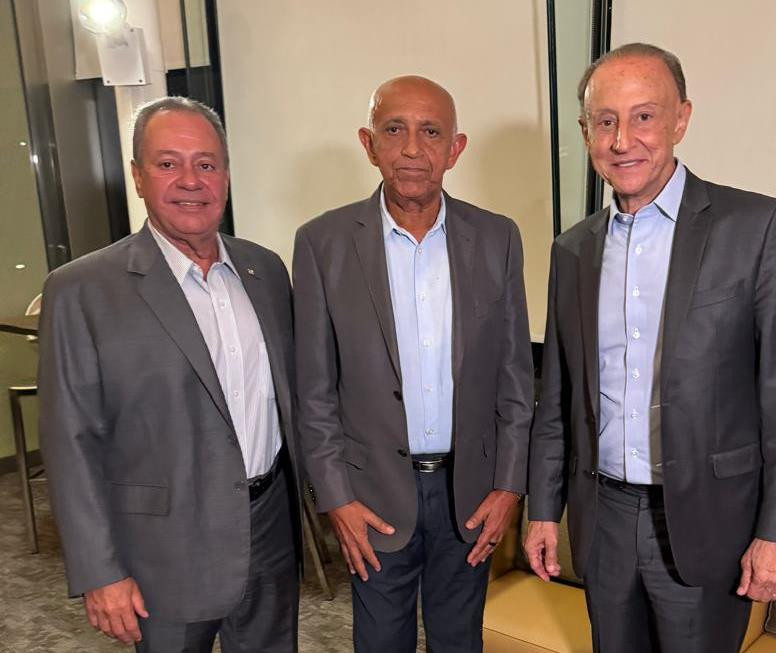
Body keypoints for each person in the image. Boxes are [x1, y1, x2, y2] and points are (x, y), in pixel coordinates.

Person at [524, 43, 776, 652]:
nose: (622, 140)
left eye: (644, 116)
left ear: (681, 119)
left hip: (710, 523)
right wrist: (544, 510)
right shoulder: (572, 250)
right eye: (605, 121)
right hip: (602, 517)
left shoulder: (755, 227)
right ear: (585, 132)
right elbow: (558, 399)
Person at [39, 97, 301, 653]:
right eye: (167, 164)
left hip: (269, 531)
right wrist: (99, 571)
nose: (190, 181)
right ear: (138, 176)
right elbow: (70, 442)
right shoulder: (82, 290)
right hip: (162, 552)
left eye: (206, 164)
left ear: (225, 175)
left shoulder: (265, 270)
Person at [293, 75, 534, 652]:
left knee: (459, 641)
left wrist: (509, 486)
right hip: (370, 497)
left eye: (430, 132)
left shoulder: (497, 238)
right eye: (393, 129)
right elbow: (314, 390)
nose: (411, 149)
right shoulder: (322, 243)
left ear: (455, 148)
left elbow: (514, 379)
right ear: (368, 142)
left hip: (470, 495)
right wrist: (336, 498)